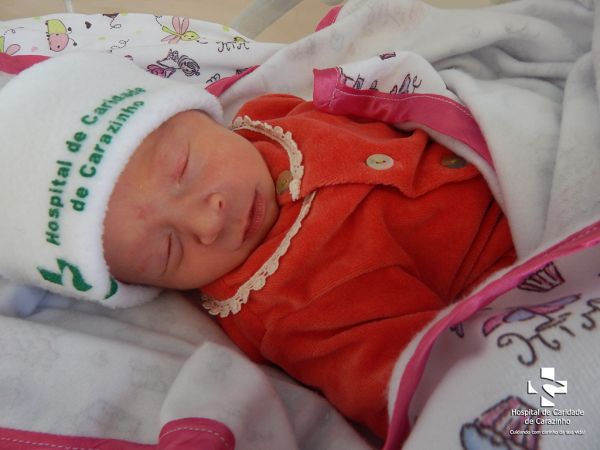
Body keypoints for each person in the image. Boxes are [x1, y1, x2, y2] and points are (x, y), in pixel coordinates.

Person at [0, 52, 515, 439]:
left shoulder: (269, 116)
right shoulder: (295, 308)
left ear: (196, 113)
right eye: (167, 252)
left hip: (507, 145)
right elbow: (432, 390)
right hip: (520, 271)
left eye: (183, 168)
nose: (207, 220)